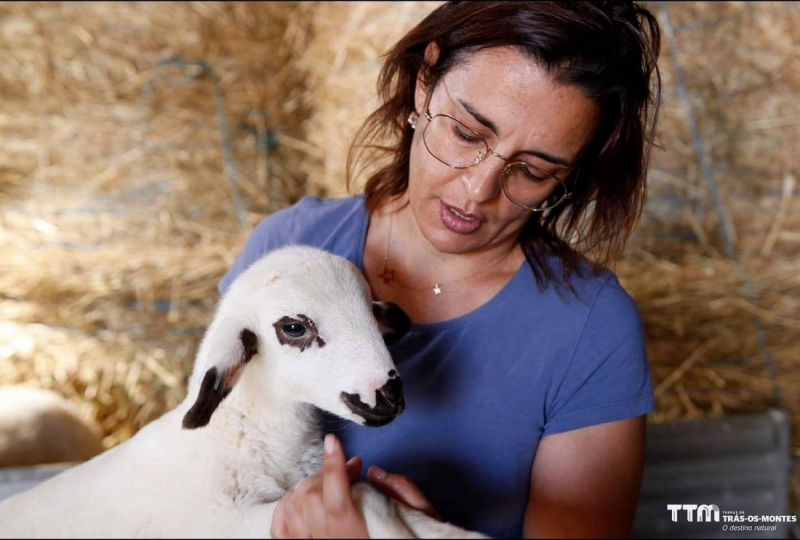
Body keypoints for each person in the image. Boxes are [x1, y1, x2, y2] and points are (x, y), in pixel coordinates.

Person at [217, 1, 662, 537]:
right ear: (425, 82)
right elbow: (206, 479)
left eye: (535, 171)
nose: (476, 192)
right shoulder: (287, 248)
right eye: (468, 134)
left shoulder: (591, 329)